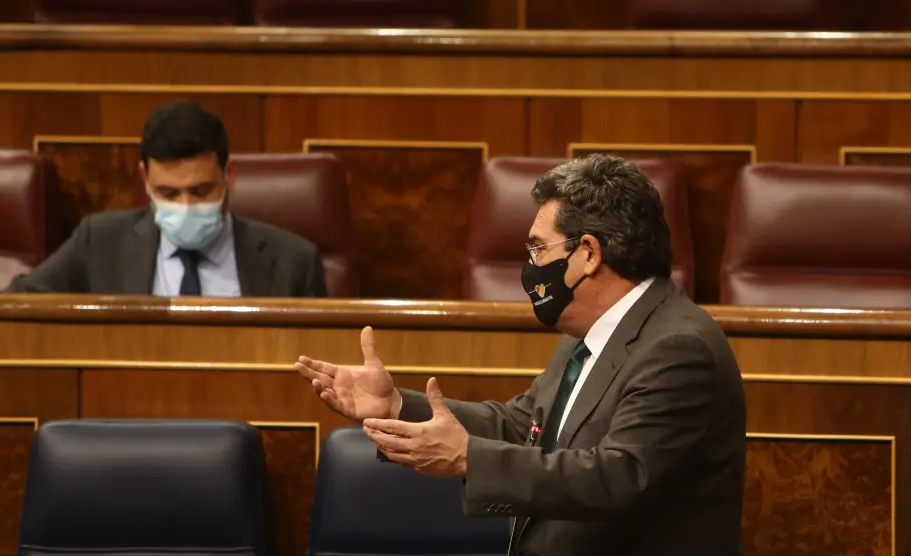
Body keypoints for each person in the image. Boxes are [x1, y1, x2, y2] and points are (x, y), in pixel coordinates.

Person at [294, 154, 745, 556]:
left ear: (588, 253)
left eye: (538, 248)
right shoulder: (590, 333)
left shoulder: (677, 347)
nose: (530, 266)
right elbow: (522, 426)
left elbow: (619, 476)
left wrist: (470, 458)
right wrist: (396, 405)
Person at [6, 100, 327, 297]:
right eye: (168, 193)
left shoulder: (293, 261)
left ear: (229, 175)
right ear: (145, 178)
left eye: (201, 191)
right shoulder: (100, 242)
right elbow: (17, 302)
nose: (185, 206)